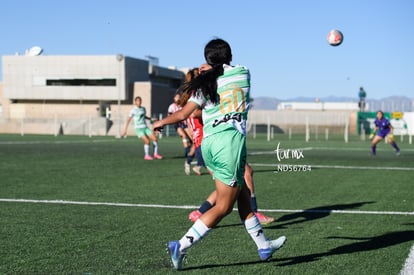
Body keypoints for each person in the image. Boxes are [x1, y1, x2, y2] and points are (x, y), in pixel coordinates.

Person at [153, 38, 286, 270]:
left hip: (210, 144)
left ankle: (263, 245)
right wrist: (213, 67)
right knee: (223, 207)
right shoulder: (243, 73)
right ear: (230, 56)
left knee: (243, 197)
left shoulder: (205, 84)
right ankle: (181, 246)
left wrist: (162, 121)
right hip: (229, 144)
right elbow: (226, 70)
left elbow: (184, 114)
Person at [181, 69, 275, 224]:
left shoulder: (198, 90)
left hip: (209, 143)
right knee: (240, 181)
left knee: (231, 183)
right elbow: (192, 113)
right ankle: (253, 213)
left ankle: (201, 212)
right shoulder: (203, 90)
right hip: (216, 143)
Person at [189, 163, 275, 225]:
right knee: (246, 173)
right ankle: (253, 211)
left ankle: (200, 212)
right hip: (220, 145)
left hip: (210, 145)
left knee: (227, 185)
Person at [122, 96, 163, 160]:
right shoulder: (133, 110)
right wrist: (125, 130)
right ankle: (146, 156)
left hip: (145, 127)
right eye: (137, 101)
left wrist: (151, 119)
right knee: (147, 141)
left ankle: (155, 154)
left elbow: (144, 116)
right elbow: (128, 120)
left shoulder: (143, 108)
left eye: (140, 101)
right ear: (135, 102)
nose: (139, 102)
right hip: (138, 129)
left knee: (155, 139)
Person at [168, 93, 194, 173]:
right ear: (174, 98)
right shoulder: (171, 106)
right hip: (177, 124)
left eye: (179, 97)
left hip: (185, 124)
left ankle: (190, 151)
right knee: (183, 135)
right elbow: (169, 116)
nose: (178, 98)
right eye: (176, 97)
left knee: (193, 138)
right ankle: (187, 153)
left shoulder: (183, 105)